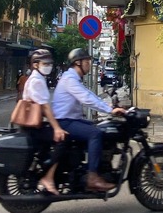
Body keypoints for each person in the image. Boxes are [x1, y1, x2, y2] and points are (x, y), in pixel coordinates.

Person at [52, 48, 126, 192]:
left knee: (100, 127)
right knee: (95, 134)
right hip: (65, 121)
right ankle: (93, 177)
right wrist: (109, 110)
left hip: (70, 119)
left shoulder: (73, 78)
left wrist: (110, 106)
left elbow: (89, 94)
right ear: (78, 63)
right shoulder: (70, 79)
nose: (89, 64)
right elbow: (86, 98)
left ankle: (95, 168)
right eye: (87, 61)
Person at [23, 49, 67, 195]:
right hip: (32, 127)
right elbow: (45, 107)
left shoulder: (38, 78)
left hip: (33, 124)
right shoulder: (36, 80)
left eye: (50, 63)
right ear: (35, 65)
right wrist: (57, 128)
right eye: (45, 63)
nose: (48, 66)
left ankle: (49, 170)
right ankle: (48, 177)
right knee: (62, 139)